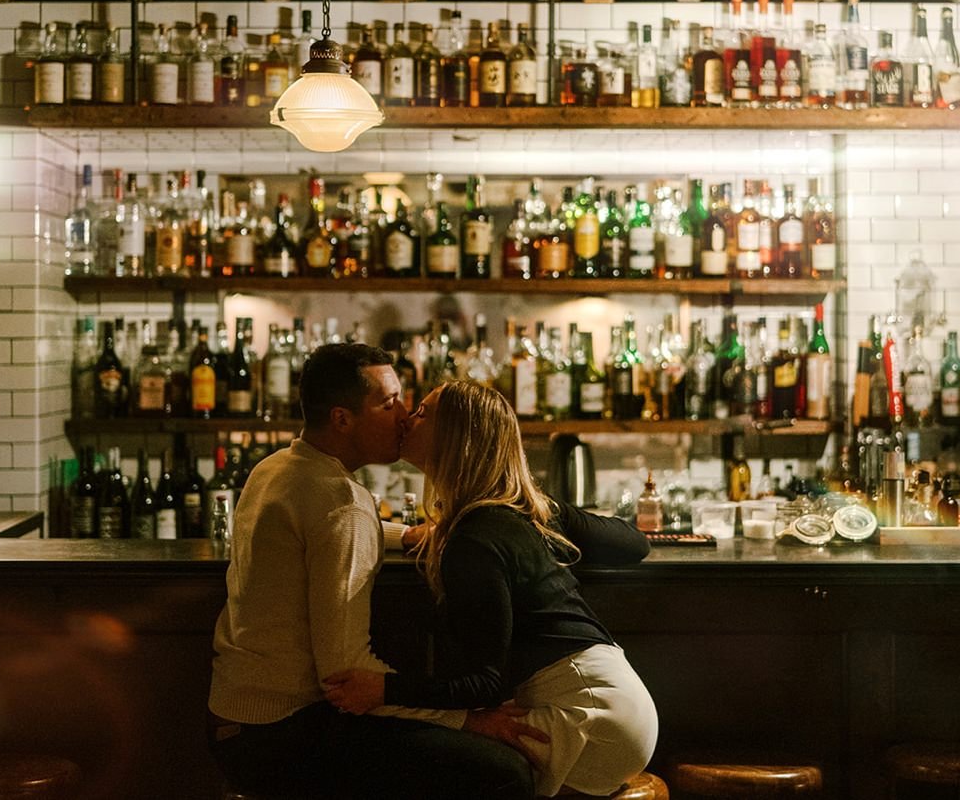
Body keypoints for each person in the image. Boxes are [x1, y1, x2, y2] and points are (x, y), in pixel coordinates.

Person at [207, 343, 545, 800]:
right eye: (388, 404)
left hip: (232, 720)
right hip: (285, 734)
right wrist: (466, 719)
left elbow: (317, 526)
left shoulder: (275, 469)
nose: (405, 415)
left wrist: (401, 534)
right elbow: (348, 678)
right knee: (506, 773)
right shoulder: (342, 507)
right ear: (343, 419)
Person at [325, 380, 659, 798]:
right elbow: (634, 541)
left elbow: (485, 684)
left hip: (589, 722)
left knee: (395, 744)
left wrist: (381, 689)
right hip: (620, 703)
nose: (409, 417)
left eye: (424, 412)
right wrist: (418, 533)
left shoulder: (474, 540)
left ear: (456, 437)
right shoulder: (524, 511)